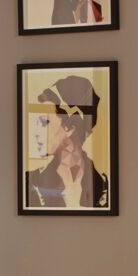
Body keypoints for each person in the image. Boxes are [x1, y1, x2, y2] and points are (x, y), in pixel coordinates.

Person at [24, 74, 109, 210]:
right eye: (35, 123)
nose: (36, 132)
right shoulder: (29, 183)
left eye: (45, 122)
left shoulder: (104, 186)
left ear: (69, 127)